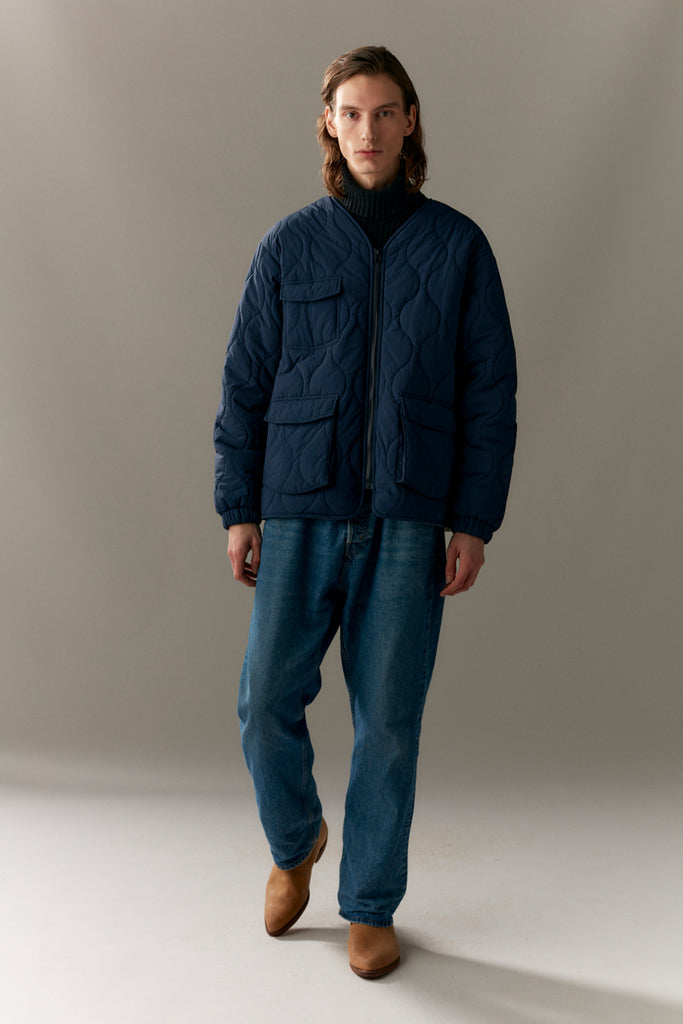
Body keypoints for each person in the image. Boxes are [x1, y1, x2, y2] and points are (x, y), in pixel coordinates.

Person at [214, 45, 517, 979]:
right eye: (351, 113)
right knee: (264, 701)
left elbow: (489, 395)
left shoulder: (458, 246)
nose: (369, 130)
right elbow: (245, 383)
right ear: (329, 125)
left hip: (410, 519)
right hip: (298, 508)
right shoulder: (287, 245)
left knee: (387, 725)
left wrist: (472, 521)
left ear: (409, 121)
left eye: (385, 112)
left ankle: (370, 905)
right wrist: (238, 506)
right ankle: (295, 841)